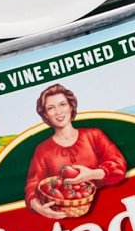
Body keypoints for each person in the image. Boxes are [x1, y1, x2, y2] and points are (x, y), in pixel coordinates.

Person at [24, 84, 126, 218]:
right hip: (68, 221)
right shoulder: (43, 150)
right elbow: (32, 187)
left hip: (112, 211)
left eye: (62, 104)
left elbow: (119, 166)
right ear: (46, 115)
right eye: (51, 108)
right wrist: (40, 208)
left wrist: (92, 174)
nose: (58, 112)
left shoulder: (94, 135)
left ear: (71, 106)